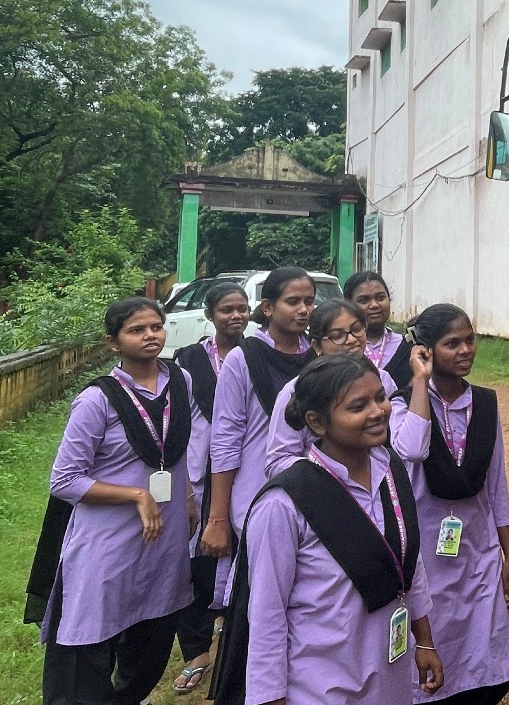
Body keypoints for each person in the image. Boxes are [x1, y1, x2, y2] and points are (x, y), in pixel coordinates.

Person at [211, 354, 444, 705]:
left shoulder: (390, 471)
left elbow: (409, 561)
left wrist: (423, 639)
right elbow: (267, 613)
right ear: (317, 422)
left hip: (387, 672)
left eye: (380, 397)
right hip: (319, 683)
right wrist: (271, 697)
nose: (378, 412)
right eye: (358, 406)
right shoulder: (285, 503)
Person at [39, 297, 195, 705]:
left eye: (156, 327)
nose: (150, 336)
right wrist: (136, 495)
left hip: (164, 538)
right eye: (136, 330)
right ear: (113, 342)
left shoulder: (181, 381)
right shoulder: (97, 400)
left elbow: (179, 452)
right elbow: (64, 480)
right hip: (108, 542)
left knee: (151, 638)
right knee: (89, 642)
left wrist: (189, 497)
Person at [390, 305, 509, 705]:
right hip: (425, 553)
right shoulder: (402, 405)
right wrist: (419, 380)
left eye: (469, 340)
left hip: (476, 550)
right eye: (452, 343)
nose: (466, 350)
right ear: (426, 350)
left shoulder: (484, 404)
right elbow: (413, 449)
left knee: (485, 665)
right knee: (434, 645)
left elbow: (495, 485)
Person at [202, 267, 315, 581]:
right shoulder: (243, 358)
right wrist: (218, 518)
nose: (303, 309)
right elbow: (226, 438)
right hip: (256, 490)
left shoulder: (319, 356)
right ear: (267, 307)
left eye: (309, 301)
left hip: (314, 489)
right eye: (293, 301)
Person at [170, 281, 250, 695]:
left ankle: (230, 634)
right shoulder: (188, 360)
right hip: (198, 469)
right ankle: (196, 649)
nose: (236, 316)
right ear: (209, 314)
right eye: (227, 309)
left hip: (245, 467)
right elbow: (179, 419)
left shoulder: (256, 356)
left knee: (241, 553)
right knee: (195, 557)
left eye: (242, 308)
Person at [263, 298, 397, 478]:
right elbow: (277, 461)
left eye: (357, 329)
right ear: (317, 345)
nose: (352, 340)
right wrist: (330, 472)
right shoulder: (298, 390)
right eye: (337, 335)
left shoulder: (383, 379)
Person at [345, 270, 415, 388]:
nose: (374, 305)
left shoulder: (408, 347)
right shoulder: (343, 348)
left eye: (380, 297)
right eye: (364, 300)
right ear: (348, 305)